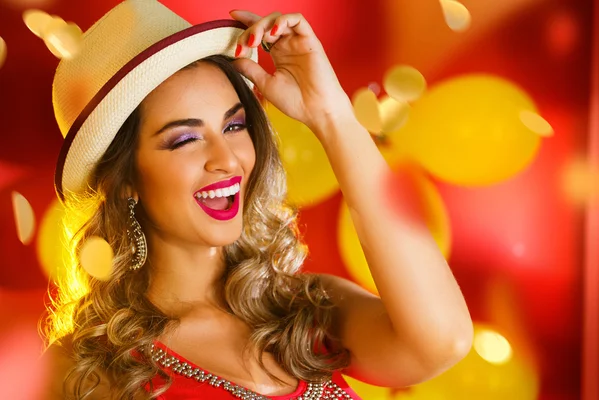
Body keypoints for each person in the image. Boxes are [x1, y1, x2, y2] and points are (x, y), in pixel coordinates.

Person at [41, 0, 473, 398]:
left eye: (234, 126)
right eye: (186, 139)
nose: (226, 159)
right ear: (125, 180)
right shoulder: (93, 368)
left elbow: (443, 340)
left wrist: (331, 115)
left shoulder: (307, 308)